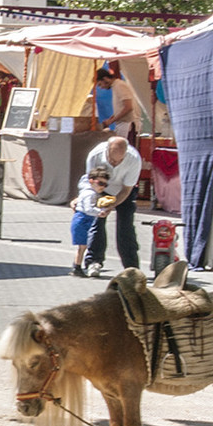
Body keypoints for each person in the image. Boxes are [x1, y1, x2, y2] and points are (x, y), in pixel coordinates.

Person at [81, 135, 143, 277]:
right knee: (97, 222)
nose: (115, 163)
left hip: (123, 189)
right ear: (107, 150)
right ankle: (94, 261)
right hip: (100, 188)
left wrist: (112, 205)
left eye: (119, 160)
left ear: (126, 153)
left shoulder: (134, 159)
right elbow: (91, 184)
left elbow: (127, 190)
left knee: (126, 226)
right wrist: (97, 206)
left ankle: (131, 266)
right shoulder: (95, 155)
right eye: (112, 160)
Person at [69, 165, 110, 277]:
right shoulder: (89, 193)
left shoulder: (90, 192)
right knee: (82, 246)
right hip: (83, 220)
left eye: (105, 185)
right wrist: (99, 212)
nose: (102, 187)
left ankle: (78, 266)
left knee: (84, 246)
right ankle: (76, 267)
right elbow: (88, 209)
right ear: (91, 181)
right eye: (100, 183)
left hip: (85, 219)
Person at [93, 65, 137, 139]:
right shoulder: (115, 86)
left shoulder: (119, 85)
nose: (101, 87)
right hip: (121, 124)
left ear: (105, 79)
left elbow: (128, 107)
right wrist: (110, 119)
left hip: (126, 124)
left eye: (100, 84)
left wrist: (111, 121)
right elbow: (121, 108)